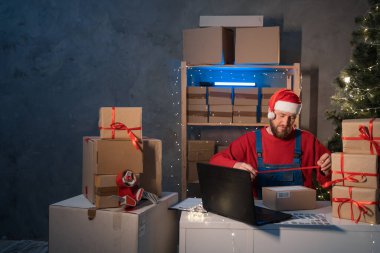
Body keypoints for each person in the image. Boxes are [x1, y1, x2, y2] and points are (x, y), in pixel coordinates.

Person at [209, 88, 332, 198]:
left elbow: (329, 183)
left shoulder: (308, 140)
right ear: (271, 113)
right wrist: (236, 166)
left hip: (302, 210)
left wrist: (327, 169)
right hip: (262, 210)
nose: (285, 122)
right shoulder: (249, 140)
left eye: (292, 117)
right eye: (282, 115)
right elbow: (215, 161)